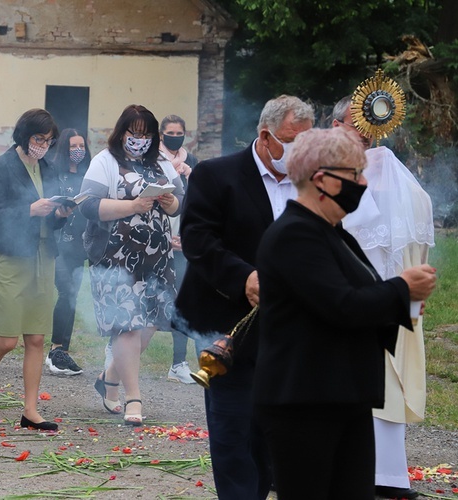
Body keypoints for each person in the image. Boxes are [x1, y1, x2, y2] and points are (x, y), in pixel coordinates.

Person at [253, 127, 437, 499]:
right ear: (322, 180)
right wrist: (401, 288)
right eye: (355, 175)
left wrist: (401, 297)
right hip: (306, 404)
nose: (364, 183)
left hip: (343, 396)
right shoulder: (295, 235)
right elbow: (341, 306)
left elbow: (360, 296)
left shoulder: (335, 233)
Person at [176, 95, 314, 499]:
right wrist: (244, 278)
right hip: (227, 323)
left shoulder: (311, 181)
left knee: (273, 430)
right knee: (233, 428)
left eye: (305, 142)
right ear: (265, 136)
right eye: (291, 140)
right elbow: (198, 239)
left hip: (288, 328)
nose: (298, 151)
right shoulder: (217, 175)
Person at [334, 96, 434, 500]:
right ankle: (392, 473)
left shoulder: (354, 183)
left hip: (363, 299)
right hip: (406, 300)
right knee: (391, 378)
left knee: (363, 380)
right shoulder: (414, 188)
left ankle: (374, 473)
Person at [79, 104, 184, 426]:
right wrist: (132, 206)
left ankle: (110, 378)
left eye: (146, 134)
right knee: (127, 325)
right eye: (134, 133)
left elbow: (179, 203)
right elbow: (89, 206)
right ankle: (133, 398)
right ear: (122, 132)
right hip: (117, 257)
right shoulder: (105, 161)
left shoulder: (161, 162)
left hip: (157, 257)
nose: (140, 140)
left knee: (150, 325)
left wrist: (169, 202)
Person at [0, 108, 70, 431]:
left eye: (49, 140)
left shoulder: (48, 167)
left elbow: (49, 220)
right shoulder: (0, 166)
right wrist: (30, 209)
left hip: (43, 257)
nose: (43, 145)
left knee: (37, 338)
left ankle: (30, 409)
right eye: (39, 138)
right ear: (24, 135)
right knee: (8, 339)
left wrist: (60, 215)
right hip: (10, 259)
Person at [46, 128, 91, 376]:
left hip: (80, 245)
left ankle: (62, 349)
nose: (78, 151)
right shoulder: (54, 173)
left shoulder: (89, 174)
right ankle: (56, 350)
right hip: (58, 242)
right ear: (64, 148)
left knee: (71, 295)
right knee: (66, 292)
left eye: (81, 146)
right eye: (73, 146)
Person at [159, 114, 198, 385]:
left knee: (186, 301)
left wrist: (190, 174)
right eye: (170, 132)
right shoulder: (154, 161)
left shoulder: (192, 161)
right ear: (161, 135)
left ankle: (180, 362)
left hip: (186, 243)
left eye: (179, 132)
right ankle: (116, 357)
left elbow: (200, 199)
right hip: (159, 240)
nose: (175, 136)